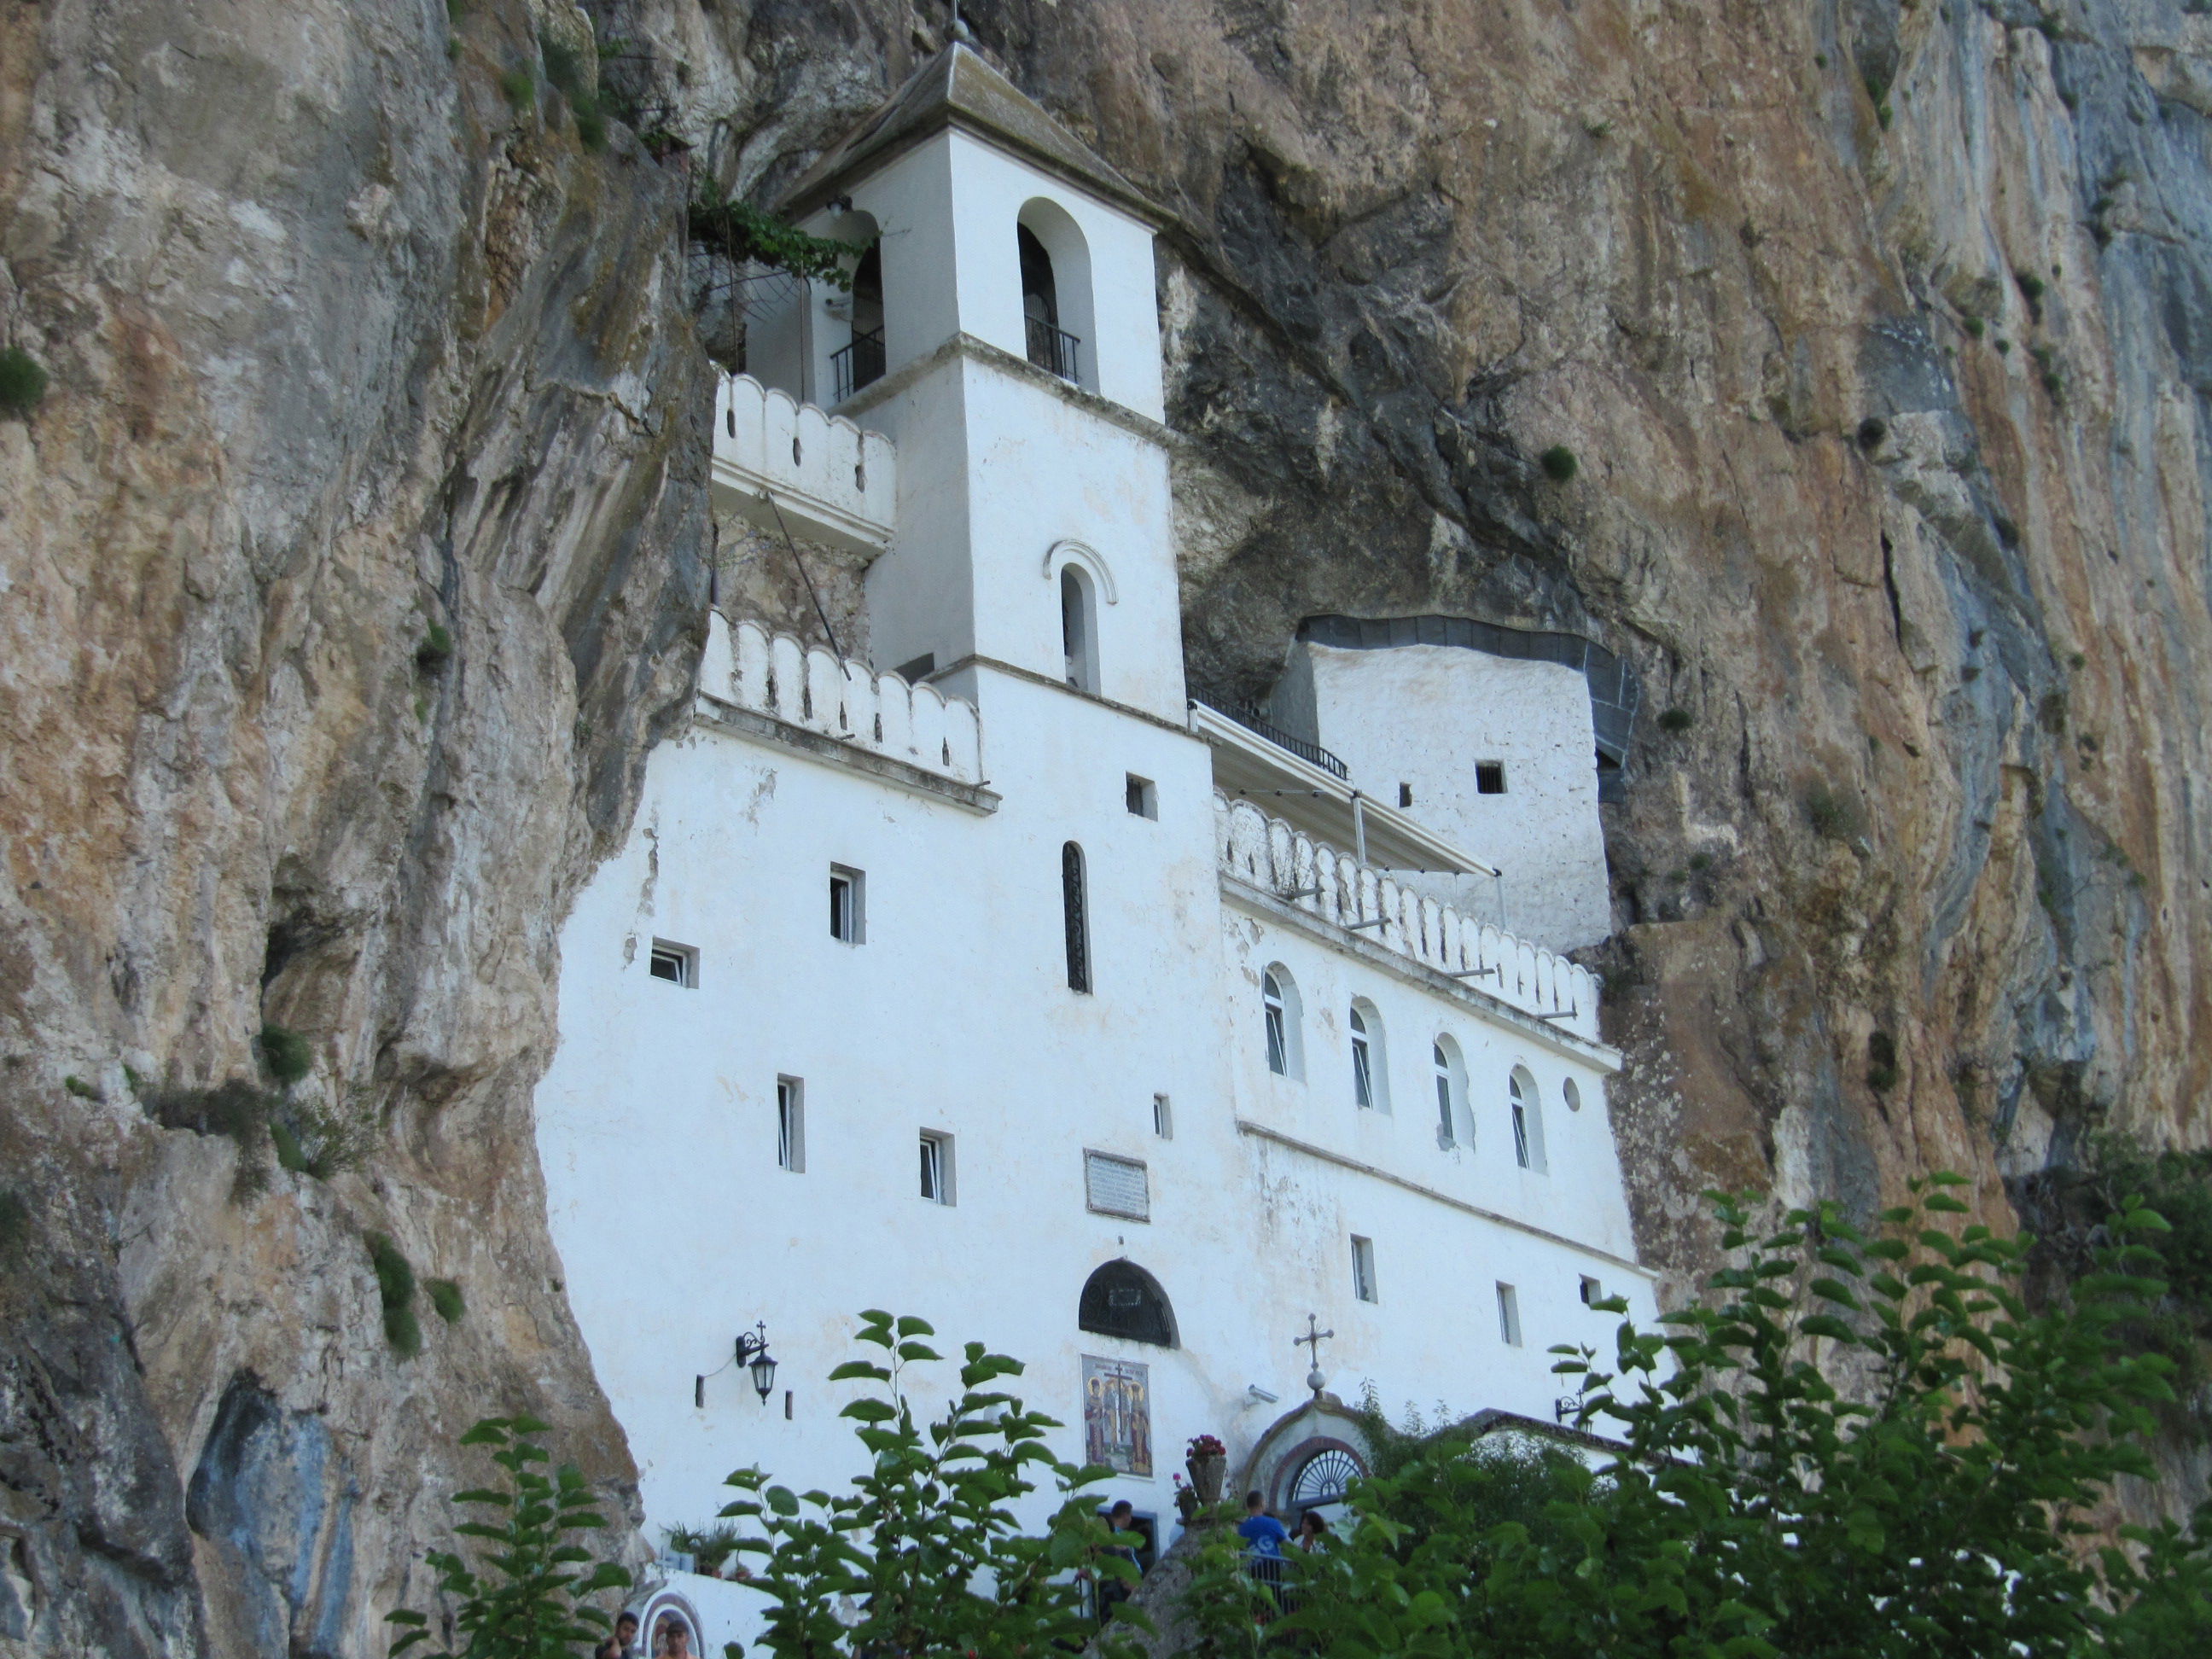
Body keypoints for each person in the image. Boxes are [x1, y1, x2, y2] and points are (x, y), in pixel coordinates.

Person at [1097, 1499, 1144, 1623]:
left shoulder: (1121, 1536)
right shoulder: (1116, 1538)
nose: (1131, 1519)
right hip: (1120, 1585)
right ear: (1125, 1515)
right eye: (1130, 1515)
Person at [1236, 1490, 1289, 1558]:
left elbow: (1240, 1549)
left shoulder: (1242, 1527)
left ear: (1248, 1506)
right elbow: (1286, 1544)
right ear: (1261, 1504)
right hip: (1272, 1565)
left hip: (1251, 1566)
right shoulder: (1273, 1523)